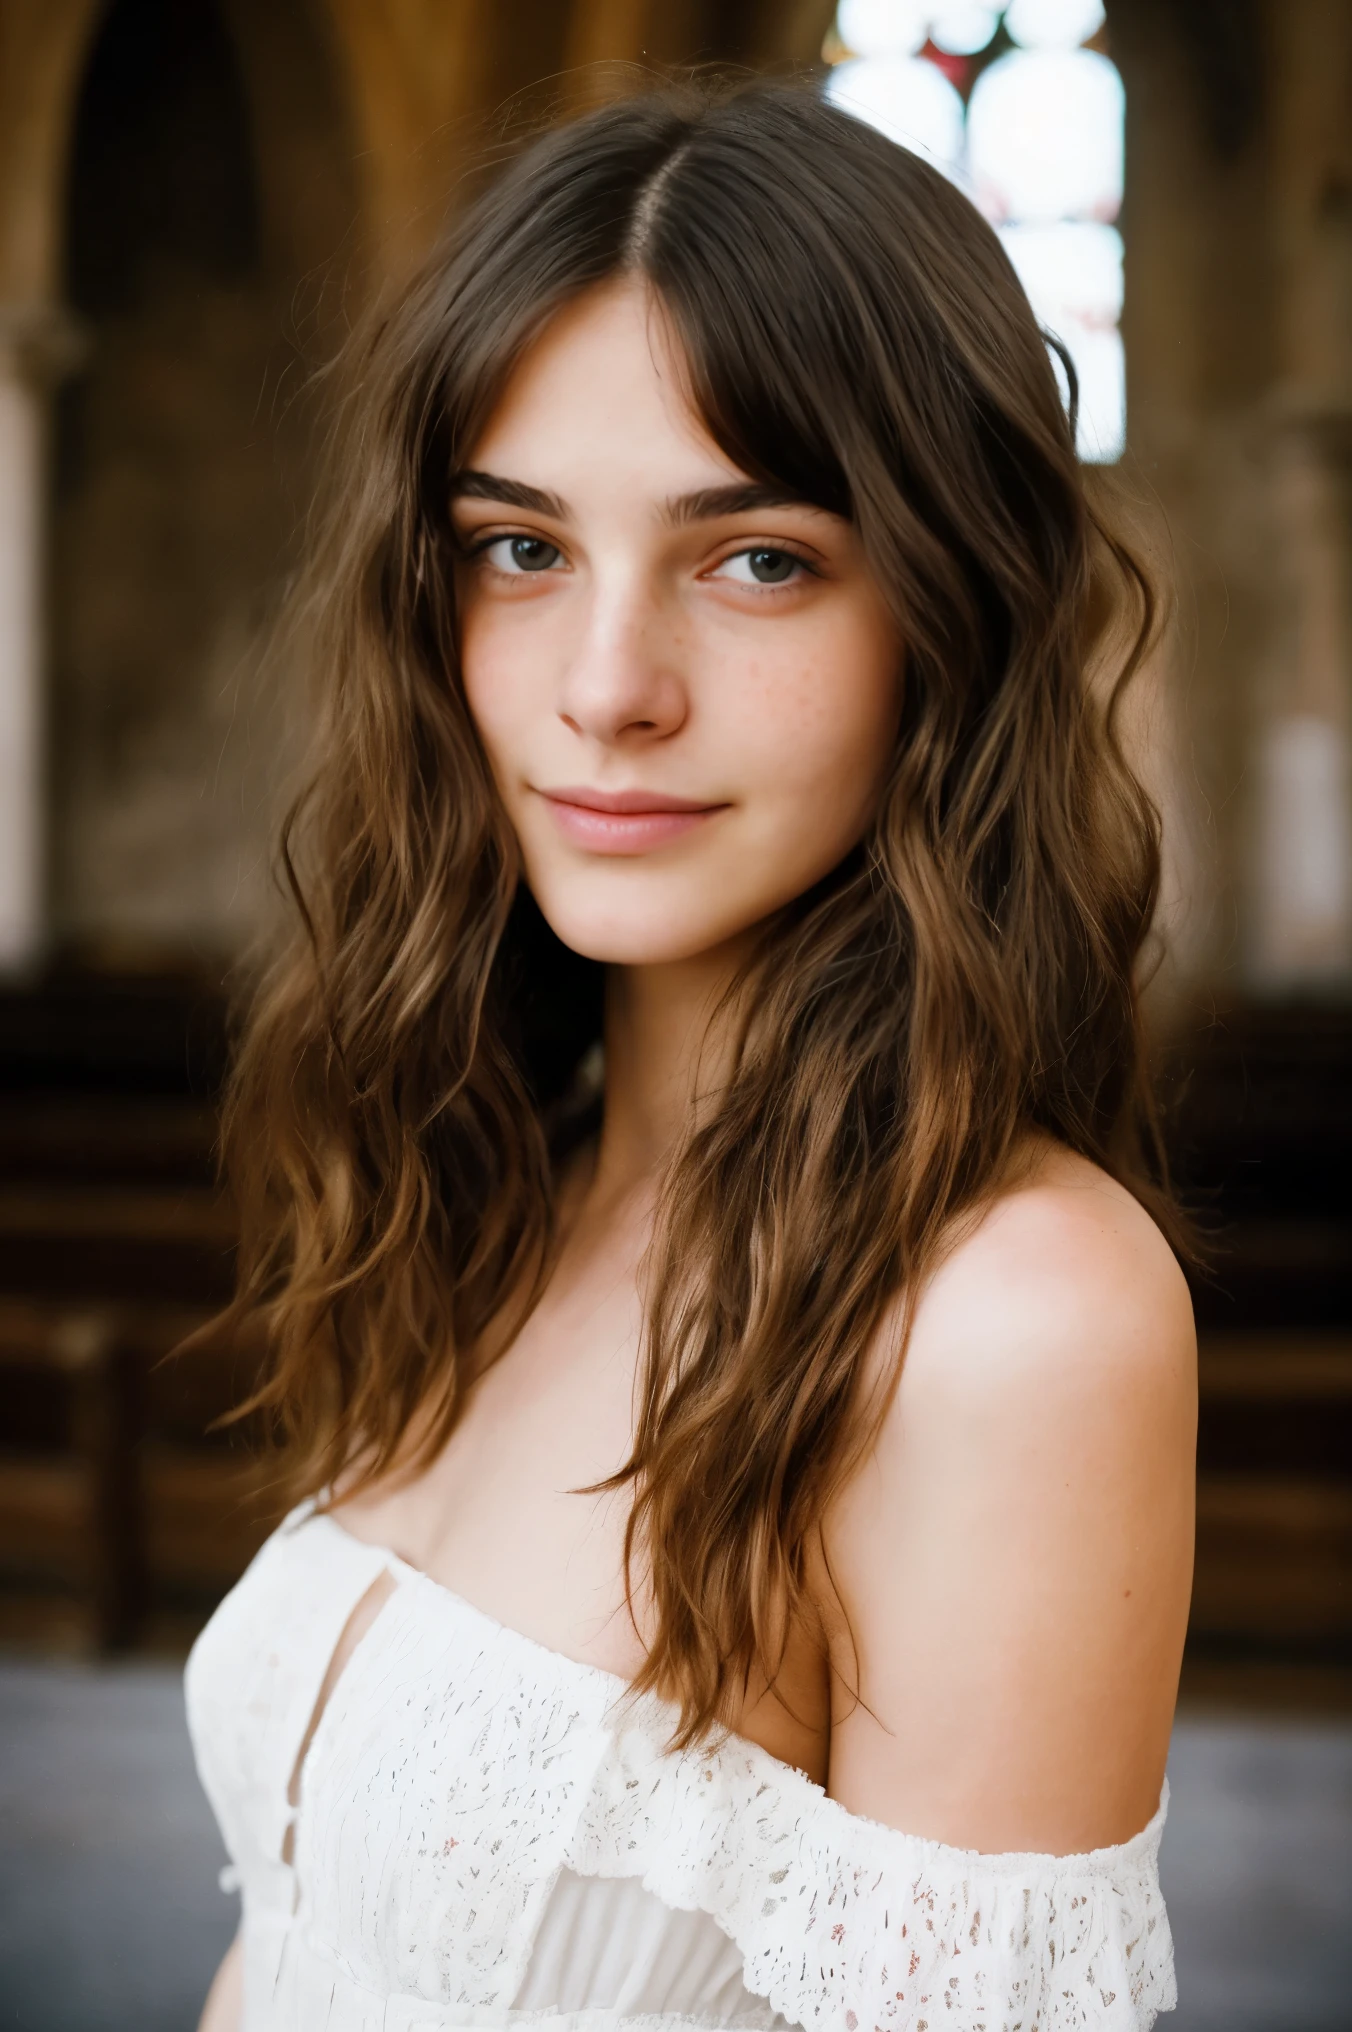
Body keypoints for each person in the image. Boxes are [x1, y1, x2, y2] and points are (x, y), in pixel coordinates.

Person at [187, 79, 1196, 2032]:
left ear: (951, 613)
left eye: (756, 560)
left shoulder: (1009, 1318)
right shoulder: (496, 1178)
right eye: (518, 550)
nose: (603, 688)